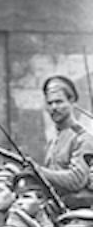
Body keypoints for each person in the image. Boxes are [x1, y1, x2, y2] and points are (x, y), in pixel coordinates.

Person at [41, 75, 93, 207]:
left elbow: (77, 180)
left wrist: (39, 171)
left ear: (72, 101)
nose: (54, 107)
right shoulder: (53, 141)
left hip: (77, 212)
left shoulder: (82, 138)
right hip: (55, 208)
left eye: (59, 102)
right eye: (49, 103)